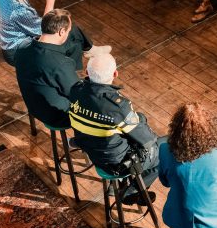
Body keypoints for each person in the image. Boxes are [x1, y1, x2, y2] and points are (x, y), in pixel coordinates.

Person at [69, 53, 161, 204]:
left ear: (86, 71)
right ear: (115, 74)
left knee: (118, 132)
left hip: (91, 151)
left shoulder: (75, 91)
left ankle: (115, 186)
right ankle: (131, 192)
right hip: (116, 163)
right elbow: (147, 139)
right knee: (162, 153)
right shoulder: (118, 107)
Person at [0, 0, 105, 67]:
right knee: (68, 42)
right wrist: (50, 0)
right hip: (18, 53)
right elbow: (44, 29)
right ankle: (69, 72)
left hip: (16, 43)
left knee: (69, 29)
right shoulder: (18, 11)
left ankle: (90, 49)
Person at [15, 9, 84, 130]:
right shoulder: (60, 64)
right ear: (62, 32)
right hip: (57, 115)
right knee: (98, 107)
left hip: (33, 104)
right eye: (68, 31)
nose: (68, 33)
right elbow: (76, 94)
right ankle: (81, 141)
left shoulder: (22, 47)